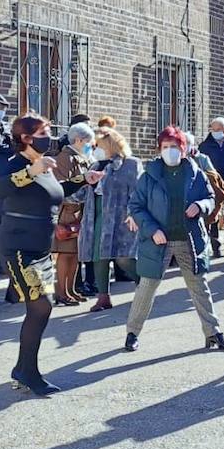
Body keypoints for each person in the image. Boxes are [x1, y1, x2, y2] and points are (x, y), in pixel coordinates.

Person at [124, 128, 224, 353]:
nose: (169, 151)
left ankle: (213, 332)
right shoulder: (150, 175)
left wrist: (201, 206)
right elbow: (136, 206)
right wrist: (152, 230)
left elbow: (211, 197)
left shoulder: (195, 172)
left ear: (184, 149)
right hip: (158, 240)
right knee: (147, 287)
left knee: (199, 287)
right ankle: (132, 333)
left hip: (189, 239)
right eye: (165, 147)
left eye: (174, 146)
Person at [0, 113, 64, 396]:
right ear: (26, 138)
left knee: (43, 308)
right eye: (44, 132)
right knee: (40, 305)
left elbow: (51, 194)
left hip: (43, 248)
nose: (49, 137)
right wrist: (32, 171)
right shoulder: (14, 163)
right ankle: (27, 372)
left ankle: (24, 369)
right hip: (19, 248)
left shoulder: (44, 165)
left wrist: (84, 180)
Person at [75, 127, 140, 312]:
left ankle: (144, 286)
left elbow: (138, 192)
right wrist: (83, 181)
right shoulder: (95, 166)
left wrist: (133, 213)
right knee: (98, 256)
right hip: (95, 216)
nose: (95, 148)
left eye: (98, 144)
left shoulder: (131, 164)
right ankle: (103, 297)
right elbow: (80, 193)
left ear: (110, 144)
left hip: (121, 218)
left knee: (124, 258)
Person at [49, 122, 94, 306]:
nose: (89, 145)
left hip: (78, 211)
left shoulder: (82, 158)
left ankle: (71, 289)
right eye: (87, 141)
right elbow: (61, 186)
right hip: (67, 211)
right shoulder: (66, 158)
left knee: (75, 254)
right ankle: (61, 292)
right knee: (65, 254)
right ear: (78, 139)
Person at [198, 117, 224, 257]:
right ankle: (216, 245)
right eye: (213, 129)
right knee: (214, 213)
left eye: (218, 130)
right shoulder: (205, 146)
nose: (215, 132)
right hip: (213, 184)